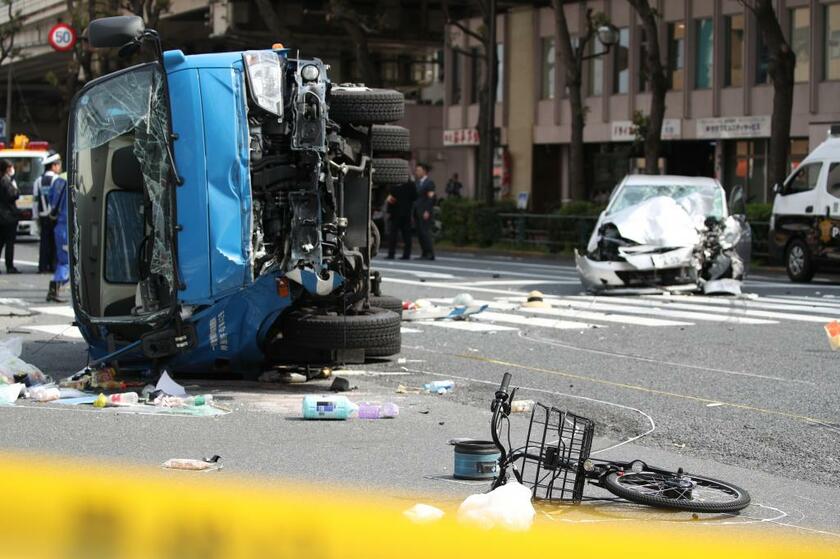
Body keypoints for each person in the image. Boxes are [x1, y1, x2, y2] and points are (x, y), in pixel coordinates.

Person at [35, 152, 61, 273]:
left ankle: (42, 266)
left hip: (42, 215)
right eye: (58, 165)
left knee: (44, 241)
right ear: (53, 166)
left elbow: (35, 201)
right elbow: (58, 198)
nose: (59, 167)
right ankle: (53, 266)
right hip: (54, 216)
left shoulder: (38, 181)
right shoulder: (57, 179)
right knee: (55, 241)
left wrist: (36, 217)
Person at [46, 169, 69, 303]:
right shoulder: (76, 175)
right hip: (68, 226)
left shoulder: (58, 179)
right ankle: (54, 288)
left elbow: (50, 198)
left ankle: (54, 289)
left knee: (64, 259)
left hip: (60, 225)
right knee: (67, 261)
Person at [385, 179, 417, 260]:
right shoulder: (410, 185)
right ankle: (406, 254)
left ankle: (391, 253)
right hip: (406, 213)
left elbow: (390, 199)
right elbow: (415, 197)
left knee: (394, 234)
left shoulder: (394, 185)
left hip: (396, 213)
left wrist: (389, 211)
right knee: (406, 235)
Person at [0, 159, 20, 274]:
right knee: (9, 243)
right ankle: (10, 266)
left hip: (2, 217)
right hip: (8, 217)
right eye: (11, 168)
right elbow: (13, 195)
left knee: (1, 242)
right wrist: (15, 187)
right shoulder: (6, 181)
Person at [413, 162, 436, 260]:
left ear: (424, 171)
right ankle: (424, 253)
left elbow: (431, 198)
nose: (417, 172)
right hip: (417, 211)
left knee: (426, 233)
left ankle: (430, 253)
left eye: (419, 170)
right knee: (420, 233)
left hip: (425, 212)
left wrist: (427, 210)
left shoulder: (429, 183)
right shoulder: (417, 183)